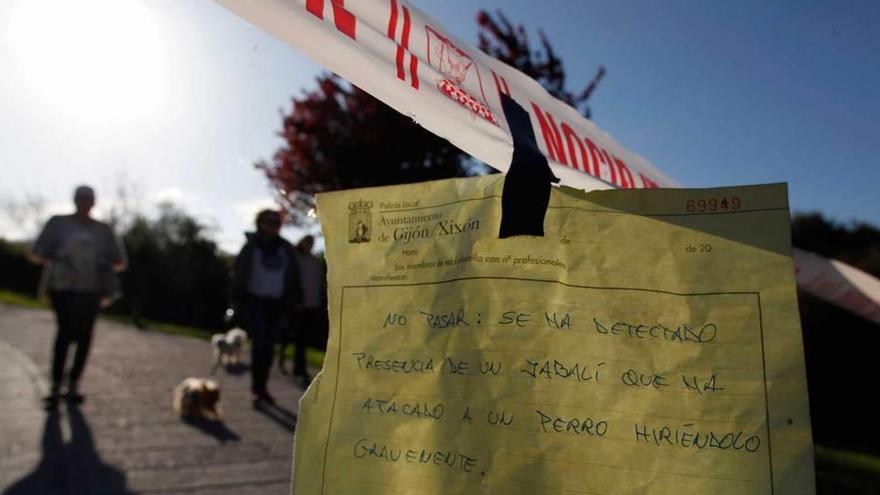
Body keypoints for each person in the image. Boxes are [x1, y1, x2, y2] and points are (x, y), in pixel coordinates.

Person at [28, 185, 127, 409]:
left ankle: (73, 384)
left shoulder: (103, 230)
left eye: (88, 199)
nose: (84, 202)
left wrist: (101, 263)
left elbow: (119, 261)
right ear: (74, 200)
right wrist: (60, 256)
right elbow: (37, 252)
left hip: (91, 289)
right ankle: (55, 386)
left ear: (94, 202)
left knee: (84, 336)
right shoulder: (57, 223)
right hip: (62, 287)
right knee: (65, 332)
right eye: (81, 198)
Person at [230, 209, 301, 406]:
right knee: (259, 344)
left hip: (277, 304)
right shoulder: (251, 246)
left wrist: (295, 299)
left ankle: (263, 387)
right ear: (259, 223)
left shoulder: (286, 248)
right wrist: (237, 299)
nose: (272, 225)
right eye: (267, 221)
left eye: (276, 222)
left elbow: (293, 276)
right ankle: (256, 388)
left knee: (269, 348)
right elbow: (238, 272)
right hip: (255, 301)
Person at [279, 235, 325, 386]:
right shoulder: (294, 258)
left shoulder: (315, 261)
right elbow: (290, 280)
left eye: (312, 243)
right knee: (295, 335)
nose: (310, 245)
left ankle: (299, 368)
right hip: (297, 304)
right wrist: (293, 299)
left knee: (302, 338)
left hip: (312, 304)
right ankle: (293, 363)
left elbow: (320, 283)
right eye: (307, 242)